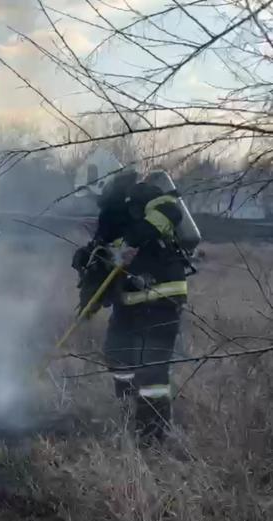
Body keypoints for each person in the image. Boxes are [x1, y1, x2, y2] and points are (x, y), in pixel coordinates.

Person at [73, 169, 189, 442]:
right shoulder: (111, 219)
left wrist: (133, 239)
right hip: (130, 303)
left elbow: (170, 213)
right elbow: (101, 265)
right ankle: (127, 413)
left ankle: (153, 435)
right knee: (117, 354)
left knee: (152, 369)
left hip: (162, 297)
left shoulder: (142, 194)